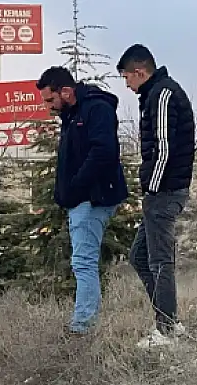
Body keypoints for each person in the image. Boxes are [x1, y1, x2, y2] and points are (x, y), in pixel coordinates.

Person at [37, 66, 128, 336]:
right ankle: (83, 323)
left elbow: (103, 152)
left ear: (65, 91)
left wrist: (75, 188)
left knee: (83, 262)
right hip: (81, 199)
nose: (48, 107)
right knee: (83, 261)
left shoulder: (95, 109)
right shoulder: (71, 113)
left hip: (92, 198)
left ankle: (83, 327)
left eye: (50, 99)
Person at [119, 44, 197, 346]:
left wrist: (151, 187)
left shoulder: (162, 94)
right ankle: (169, 322)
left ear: (140, 71)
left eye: (127, 77)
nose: (127, 84)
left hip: (164, 191)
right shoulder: (153, 95)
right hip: (160, 191)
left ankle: (166, 330)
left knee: (160, 261)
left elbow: (163, 146)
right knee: (139, 257)